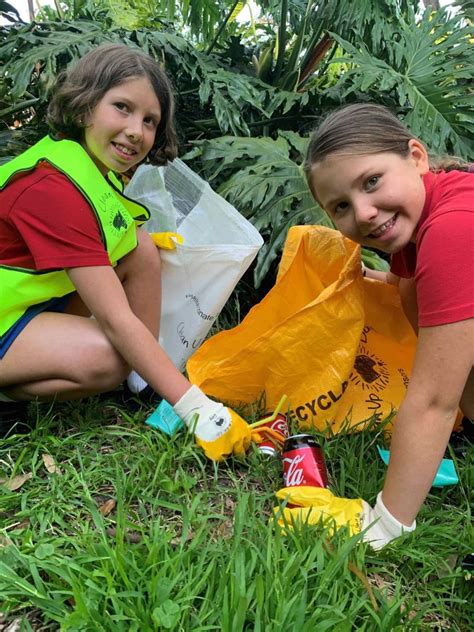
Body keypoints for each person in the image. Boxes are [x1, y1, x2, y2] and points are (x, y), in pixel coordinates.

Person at [0, 43, 251, 460]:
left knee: (140, 247)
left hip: (20, 306)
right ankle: (7, 399)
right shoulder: (54, 188)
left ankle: (144, 380)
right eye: (122, 107)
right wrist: (196, 407)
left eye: (149, 120)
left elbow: (130, 251)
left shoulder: (89, 170)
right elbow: (116, 317)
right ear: (83, 109)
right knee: (107, 356)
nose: (137, 130)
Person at [301, 103, 473, 549]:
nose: (364, 213)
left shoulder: (453, 229)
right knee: (409, 292)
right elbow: (408, 287)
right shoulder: (426, 215)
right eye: (341, 206)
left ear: (416, 157)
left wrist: (386, 524)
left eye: (371, 182)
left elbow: (435, 399)